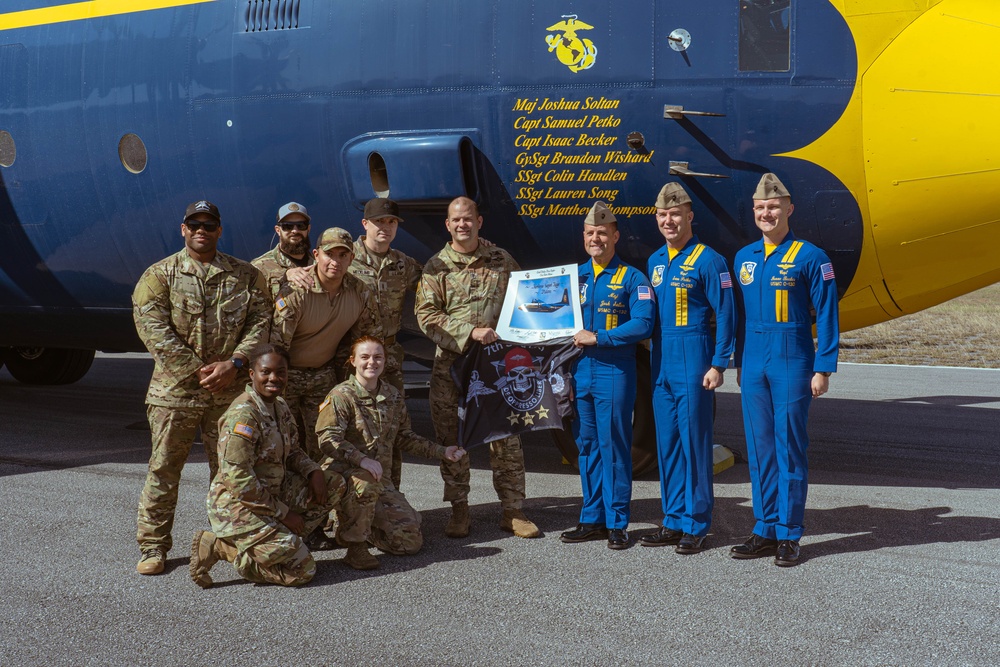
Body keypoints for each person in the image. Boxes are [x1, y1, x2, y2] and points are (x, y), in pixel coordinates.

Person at [132, 200, 271, 575]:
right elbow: (151, 327)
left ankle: (226, 539)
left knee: (230, 469)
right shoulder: (159, 275)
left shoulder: (245, 275)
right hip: (174, 392)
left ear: (219, 230)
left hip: (228, 393)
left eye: (209, 225)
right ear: (183, 228)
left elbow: (261, 321)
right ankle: (153, 547)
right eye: (195, 224)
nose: (202, 230)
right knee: (163, 470)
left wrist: (236, 363)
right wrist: (197, 371)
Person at [415, 196, 540, 539]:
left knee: (507, 438)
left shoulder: (501, 260)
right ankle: (459, 511)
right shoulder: (436, 267)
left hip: (496, 369)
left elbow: (526, 302)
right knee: (452, 440)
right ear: (448, 225)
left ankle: (512, 511)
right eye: (456, 220)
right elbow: (426, 316)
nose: (462, 225)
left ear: (479, 222)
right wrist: (469, 332)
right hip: (452, 369)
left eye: (468, 219)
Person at [731, 173, 839, 566]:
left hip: (793, 357)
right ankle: (764, 528)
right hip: (755, 359)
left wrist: (823, 366)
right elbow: (740, 317)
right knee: (760, 449)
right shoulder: (744, 258)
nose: (766, 213)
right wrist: (740, 361)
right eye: (760, 208)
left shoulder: (811, 257)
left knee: (789, 446)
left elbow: (827, 313)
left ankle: (790, 533)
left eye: (773, 207)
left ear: (789, 209)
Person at [189, 344, 346, 588]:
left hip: (272, 494)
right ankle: (223, 548)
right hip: (238, 505)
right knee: (302, 570)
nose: (274, 378)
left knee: (333, 483)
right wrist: (284, 513)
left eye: (281, 372)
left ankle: (277, 541)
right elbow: (238, 479)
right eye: (266, 372)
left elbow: (293, 450)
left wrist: (313, 470)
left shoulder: (279, 406)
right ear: (252, 374)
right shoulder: (244, 415)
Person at [639, 183, 736, 554]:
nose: (668, 221)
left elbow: (726, 312)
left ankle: (696, 523)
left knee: (695, 444)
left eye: (675, 214)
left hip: (694, 356)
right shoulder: (656, 262)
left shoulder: (709, 260)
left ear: (689, 217)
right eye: (663, 215)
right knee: (668, 446)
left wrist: (718, 362)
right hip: (662, 359)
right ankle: (673, 518)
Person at [315, 336, 466, 570]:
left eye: (378, 357)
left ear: (385, 361)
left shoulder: (392, 396)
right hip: (343, 475)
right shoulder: (341, 395)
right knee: (363, 485)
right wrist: (361, 459)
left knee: (409, 542)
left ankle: (363, 525)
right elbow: (327, 440)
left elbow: (404, 437)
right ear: (353, 361)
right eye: (364, 357)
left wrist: (442, 451)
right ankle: (356, 547)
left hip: (379, 481)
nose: (371, 363)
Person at [559, 201, 655, 550]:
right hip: (580, 372)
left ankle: (617, 522)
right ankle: (591, 518)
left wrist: (601, 337)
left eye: (602, 232)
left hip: (615, 370)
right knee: (585, 447)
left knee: (613, 445)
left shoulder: (632, 278)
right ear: (583, 237)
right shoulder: (573, 278)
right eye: (590, 233)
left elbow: (644, 323)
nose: (595, 237)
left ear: (615, 235)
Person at [269, 227, 383, 466]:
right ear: (316, 254)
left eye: (343, 255)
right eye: (330, 254)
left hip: (322, 375)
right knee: (280, 442)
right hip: (286, 376)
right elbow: (276, 347)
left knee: (324, 444)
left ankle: (320, 499)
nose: (336, 262)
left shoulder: (360, 292)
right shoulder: (297, 292)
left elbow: (367, 340)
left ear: (352, 258)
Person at [348, 198, 423, 489]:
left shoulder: (403, 264)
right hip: (351, 359)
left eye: (391, 222)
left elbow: (440, 279)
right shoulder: (345, 258)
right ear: (365, 224)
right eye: (379, 222)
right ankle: (353, 503)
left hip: (389, 357)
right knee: (353, 430)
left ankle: (391, 495)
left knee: (392, 429)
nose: (386, 228)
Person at [251, 201, 315, 299]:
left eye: (301, 225)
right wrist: (284, 278)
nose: (295, 230)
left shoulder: (321, 264)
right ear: (278, 230)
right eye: (287, 226)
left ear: (308, 229)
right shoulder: (259, 268)